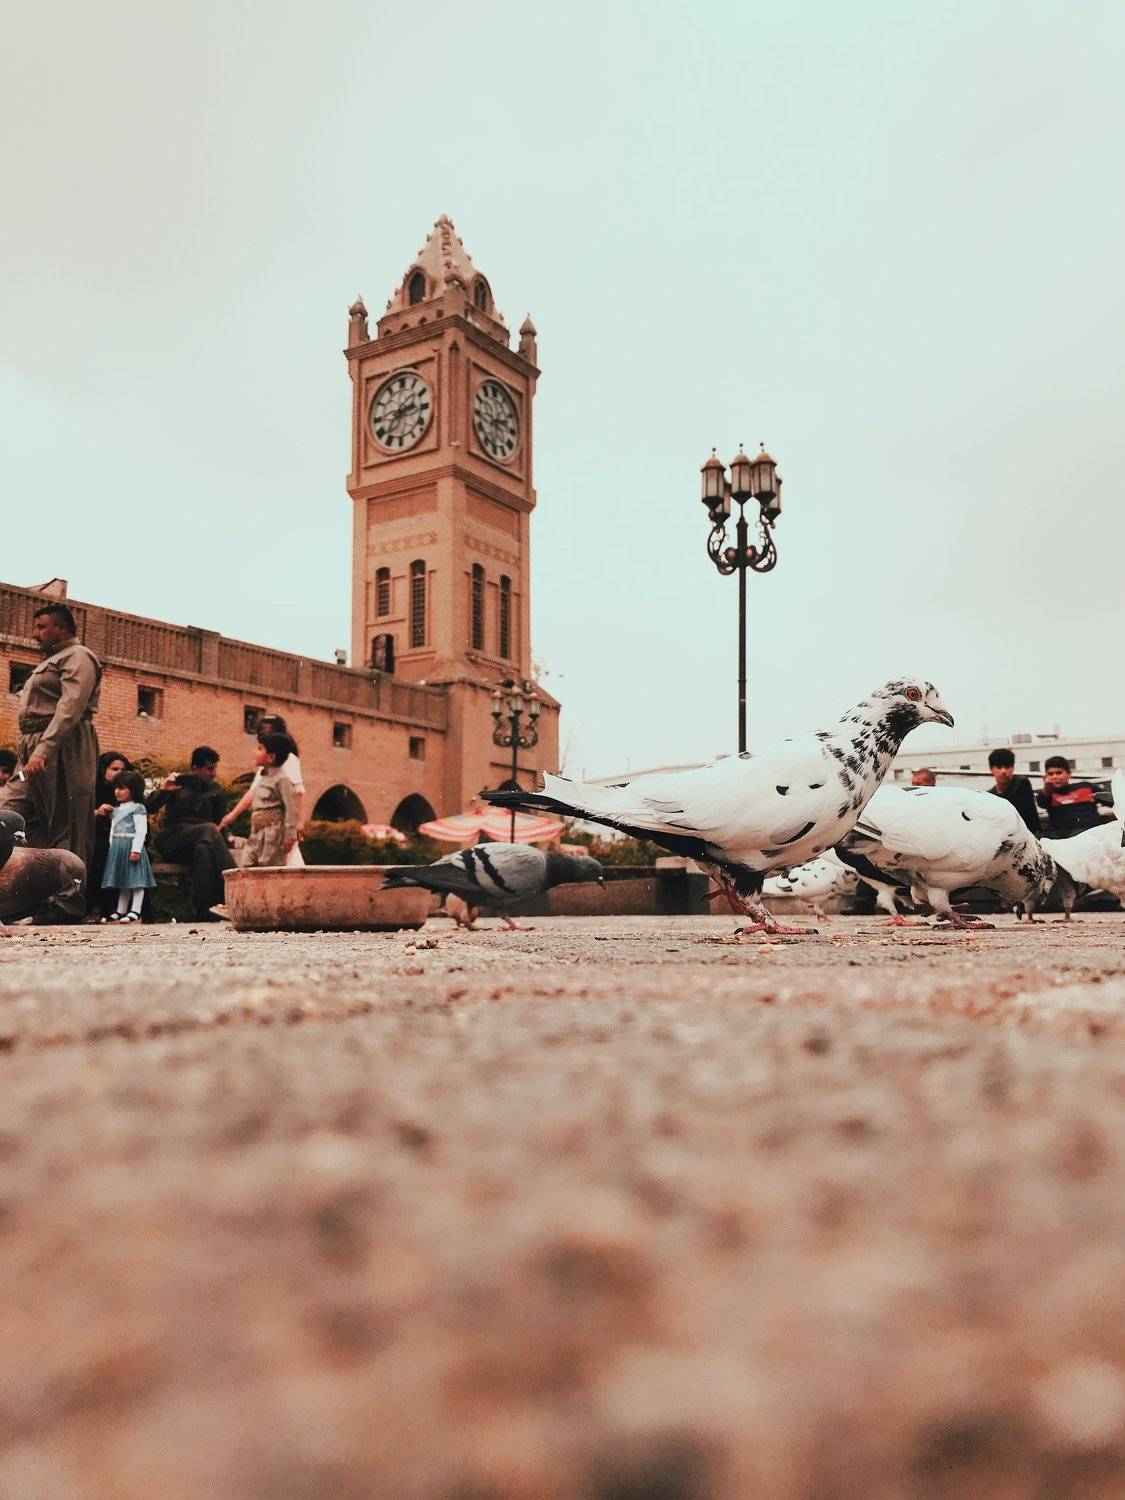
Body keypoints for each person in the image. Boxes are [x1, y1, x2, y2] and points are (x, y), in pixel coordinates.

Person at [0, 602, 102, 923]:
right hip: (32, 749)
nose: (35, 633)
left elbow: (71, 708)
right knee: (9, 811)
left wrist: (44, 750)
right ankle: (23, 898)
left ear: (62, 627)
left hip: (62, 745)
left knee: (66, 821)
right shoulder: (48, 662)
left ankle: (67, 904)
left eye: (42, 626)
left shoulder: (78, 657)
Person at [146, 745, 233, 921]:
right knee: (208, 830)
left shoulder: (216, 790)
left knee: (204, 849)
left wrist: (228, 838)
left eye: (215, 768)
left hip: (202, 840)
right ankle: (234, 891)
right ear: (195, 768)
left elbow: (220, 823)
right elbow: (149, 808)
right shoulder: (177, 784)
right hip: (173, 839)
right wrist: (163, 791)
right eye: (209, 769)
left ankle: (205, 908)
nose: (213, 773)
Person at [219, 714, 306, 866]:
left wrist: (298, 822)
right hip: (261, 829)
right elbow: (252, 793)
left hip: (278, 828)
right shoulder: (265, 768)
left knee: (280, 865)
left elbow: (296, 794)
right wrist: (232, 815)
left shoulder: (289, 760)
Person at [101, 770, 156, 922]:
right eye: (116, 787)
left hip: (131, 847)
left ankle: (135, 910)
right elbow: (113, 830)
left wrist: (136, 850)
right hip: (118, 848)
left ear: (133, 790)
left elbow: (141, 830)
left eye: (122, 788)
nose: (117, 791)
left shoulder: (138, 808)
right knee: (123, 880)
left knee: (136, 881)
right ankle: (121, 910)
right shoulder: (116, 810)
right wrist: (112, 847)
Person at [240, 734, 297, 867]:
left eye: (260, 748)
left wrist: (290, 835)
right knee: (246, 864)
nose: (255, 751)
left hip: (272, 834)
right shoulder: (263, 779)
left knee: (268, 867)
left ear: (271, 757)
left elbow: (290, 808)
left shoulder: (282, 780)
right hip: (256, 832)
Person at [89, 750, 131, 917]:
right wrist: (97, 813)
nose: (119, 773)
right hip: (95, 835)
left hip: (120, 837)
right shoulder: (93, 788)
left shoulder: (127, 792)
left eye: (123, 770)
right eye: (115, 769)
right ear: (103, 769)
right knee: (100, 851)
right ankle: (96, 907)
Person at [1036, 755, 1106, 838]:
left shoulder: (1086, 786)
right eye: (1050, 774)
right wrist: (1046, 788)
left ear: (1069, 774)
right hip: (1064, 837)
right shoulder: (1048, 794)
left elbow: (1110, 799)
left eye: (1059, 773)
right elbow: (1041, 803)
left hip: (1092, 833)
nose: (1054, 777)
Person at [986, 748, 1040, 836]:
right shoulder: (990, 795)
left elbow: (1029, 817)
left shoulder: (1022, 783)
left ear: (1013, 767)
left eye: (1007, 767)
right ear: (991, 769)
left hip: (1030, 834)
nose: (1004, 771)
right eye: (999, 767)